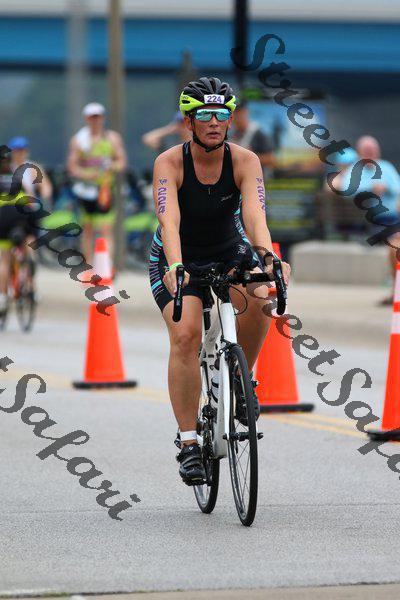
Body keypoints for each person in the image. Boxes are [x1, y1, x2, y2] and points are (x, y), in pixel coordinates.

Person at [148, 77, 290, 486]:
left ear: (230, 120)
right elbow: (169, 221)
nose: (214, 122)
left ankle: (244, 381)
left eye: (222, 115)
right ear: (188, 122)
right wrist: (176, 265)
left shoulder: (245, 160)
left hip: (228, 249)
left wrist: (268, 256)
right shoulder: (169, 163)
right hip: (178, 254)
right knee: (186, 335)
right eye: (205, 115)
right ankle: (189, 442)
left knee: (261, 295)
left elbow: (255, 216)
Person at [339, 136, 400, 305]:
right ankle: (396, 291)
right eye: (366, 151)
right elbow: (345, 189)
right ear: (359, 153)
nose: (370, 154)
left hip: (394, 219)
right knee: (396, 245)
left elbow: (397, 187)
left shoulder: (386, 167)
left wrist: (386, 188)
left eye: (372, 151)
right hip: (372, 223)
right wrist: (370, 189)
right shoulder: (354, 170)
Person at [67, 102, 127, 262]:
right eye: (92, 117)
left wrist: (110, 166)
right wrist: (87, 175)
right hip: (85, 190)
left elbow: (121, 162)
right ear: (86, 119)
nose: (95, 120)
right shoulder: (79, 140)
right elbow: (72, 167)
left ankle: (107, 266)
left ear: (103, 118)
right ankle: (88, 265)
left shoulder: (112, 138)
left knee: (106, 229)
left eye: (98, 117)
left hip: (104, 190)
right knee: (87, 229)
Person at [0, 146, 38, 314]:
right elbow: (30, 198)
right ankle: (30, 278)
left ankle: (2, 298)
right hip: (23, 213)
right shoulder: (17, 177)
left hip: (4, 216)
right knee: (28, 240)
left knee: (5, 259)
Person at [231, 100, 276, 172]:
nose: (237, 115)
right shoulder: (230, 133)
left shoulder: (257, 133)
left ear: (246, 112)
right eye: (234, 112)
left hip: (255, 176)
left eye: (239, 111)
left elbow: (271, 160)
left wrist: (248, 157)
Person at [8, 136, 53, 204]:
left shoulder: (33, 168)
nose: (20, 153)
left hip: (29, 203)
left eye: (22, 150)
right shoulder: (7, 168)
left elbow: (46, 187)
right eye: (17, 151)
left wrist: (44, 200)